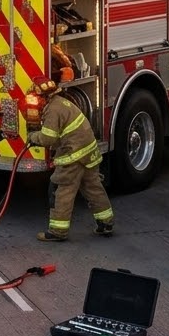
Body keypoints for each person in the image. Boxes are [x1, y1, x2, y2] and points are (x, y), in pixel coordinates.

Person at [27, 81, 115, 242]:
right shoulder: (61, 103)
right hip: (88, 152)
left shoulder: (53, 111)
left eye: (35, 98)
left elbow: (48, 138)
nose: (34, 102)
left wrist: (32, 136)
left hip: (73, 155)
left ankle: (57, 231)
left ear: (44, 97)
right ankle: (106, 223)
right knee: (93, 187)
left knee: (62, 191)